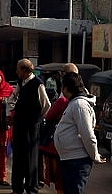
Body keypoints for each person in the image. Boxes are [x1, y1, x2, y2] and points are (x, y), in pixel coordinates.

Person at [53, 71, 106, 194]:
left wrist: (95, 155)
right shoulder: (74, 103)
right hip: (70, 159)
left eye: (62, 87)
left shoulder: (79, 105)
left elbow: (88, 135)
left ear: (66, 88)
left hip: (77, 160)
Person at [6, 58, 51, 194]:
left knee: (30, 158)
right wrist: (11, 112)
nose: (16, 72)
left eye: (18, 69)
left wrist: (37, 119)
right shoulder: (21, 82)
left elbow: (46, 105)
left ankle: (32, 187)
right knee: (18, 157)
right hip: (19, 125)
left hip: (32, 127)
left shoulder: (38, 84)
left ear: (25, 70)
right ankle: (17, 187)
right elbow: (12, 98)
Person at [39, 63, 76, 194]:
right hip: (75, 147)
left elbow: (49, 116)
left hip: (59, 145)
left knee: (59, 176)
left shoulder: (64, 100)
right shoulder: (85, 99)